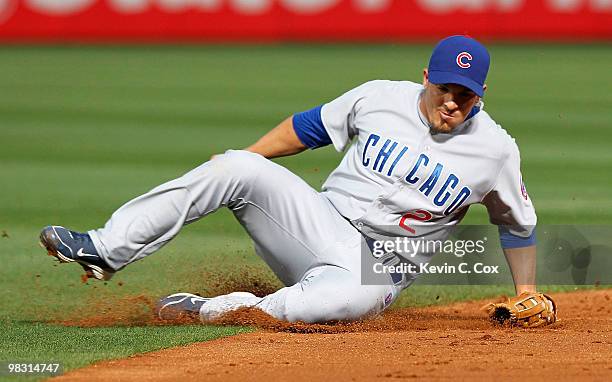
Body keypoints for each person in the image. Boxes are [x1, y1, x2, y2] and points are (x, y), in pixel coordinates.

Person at [40, 35, 539, 324]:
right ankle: (105, 249)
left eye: (466, 95)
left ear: (482, 94)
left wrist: (525, 291)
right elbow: (308, 127)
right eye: (446, 87)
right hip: (318, 223)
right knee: (238, 165)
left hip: (377, 271)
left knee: (342, 298)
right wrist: (246, 162)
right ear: (425, 76)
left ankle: (218, 310)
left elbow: (517, 225)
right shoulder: (380, 96)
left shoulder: (496, 150)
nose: (453, 101)